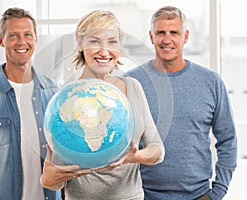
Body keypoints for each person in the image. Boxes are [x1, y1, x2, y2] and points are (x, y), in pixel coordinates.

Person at [40, 10, 165, 200]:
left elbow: (157, 149)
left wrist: (134, 157)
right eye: (94, 41)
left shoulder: (133, 87)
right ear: (80, 43)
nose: (104, 51)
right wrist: (48, 180)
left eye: (112, 42)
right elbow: (58, 178)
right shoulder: (66, 99)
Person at [124, 6, 237, 200]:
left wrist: (218, 192)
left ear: (185, 36)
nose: (167, 40)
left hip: (199, 195)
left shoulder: (211, 82)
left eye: (174, 33)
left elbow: (228, 141)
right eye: (161, 33)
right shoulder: (131, 83)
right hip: (143, 195)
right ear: (151, 37)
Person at [0, 7, 61, 200]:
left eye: (28, 35)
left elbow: (62, 153)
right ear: (1, 40)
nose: (22, 42)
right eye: (13, 35)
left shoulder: (53, 92)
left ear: (35, 39)